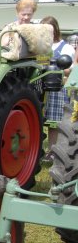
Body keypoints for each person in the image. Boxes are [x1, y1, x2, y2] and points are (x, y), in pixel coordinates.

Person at [41, 16, 76, 155]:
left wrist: (53, 65)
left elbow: (69, 69)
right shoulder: (39, 47)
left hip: (56, 89)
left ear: (55, 30)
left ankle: (52, 152)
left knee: (54, 124)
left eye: (49, 30)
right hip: (39, 86)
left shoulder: (65, 47)